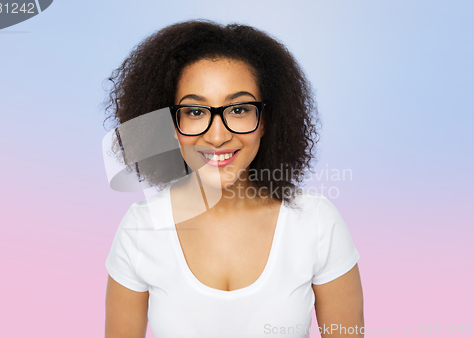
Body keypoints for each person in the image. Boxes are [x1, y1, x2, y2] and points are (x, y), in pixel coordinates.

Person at [103, 19, 364, 338]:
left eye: (238, 109)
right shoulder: (140, 229)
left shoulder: (317, 223)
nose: (217, 136)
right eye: (195, 112)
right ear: (171, 125)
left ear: (266, 120)